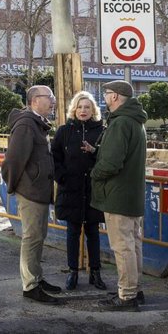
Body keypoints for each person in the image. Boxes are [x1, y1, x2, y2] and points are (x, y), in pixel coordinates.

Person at [91, 80, 147, 312]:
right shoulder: (135, 121)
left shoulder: (120, 123)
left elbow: (112, 162)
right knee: (133, 245)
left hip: (117, 194)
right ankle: (135, 289)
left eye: (106, 94)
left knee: (122, 247)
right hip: (132, 194)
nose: (104, 97)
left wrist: (94, 172)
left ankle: (127, 296)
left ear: (114, 97)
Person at [1, 85, 61, 304]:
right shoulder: (27, 125)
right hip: (31, 192)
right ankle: (30, 286)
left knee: (38, 236)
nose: (53, 101)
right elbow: (12, 161)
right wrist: (18, 186)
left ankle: (36, 277)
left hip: (38, 191)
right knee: (32, 237)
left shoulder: (37, 123)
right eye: (50, 97)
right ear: (35, 100)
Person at [51, 91, 107, 291]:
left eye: (87, 107)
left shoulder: (102, 130)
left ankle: (95, 272)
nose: (83, 110)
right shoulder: (64, 131)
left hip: (93, 189)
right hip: (71, 188)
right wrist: (62, 177)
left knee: (93, 231)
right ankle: (73, 271)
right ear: (74, 109)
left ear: (93, 110)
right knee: (72, 231)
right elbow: (54, 157)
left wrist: (95, 151)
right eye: (80, 106)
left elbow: (107, 156)